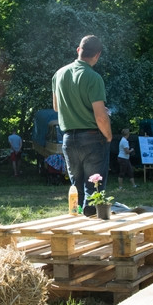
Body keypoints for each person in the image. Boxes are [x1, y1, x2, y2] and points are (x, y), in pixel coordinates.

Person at [53, 35, 112, 215]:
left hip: (68, 139)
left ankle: (76, 226)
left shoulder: (59, 74)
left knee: (76, 189)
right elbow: (101, 117)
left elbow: (57, 107)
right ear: (97, 55)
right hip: (93, 138)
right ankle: (91, 228)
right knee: (94, 189)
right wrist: (108, 136)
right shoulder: (94, 78)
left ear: (78, 50)